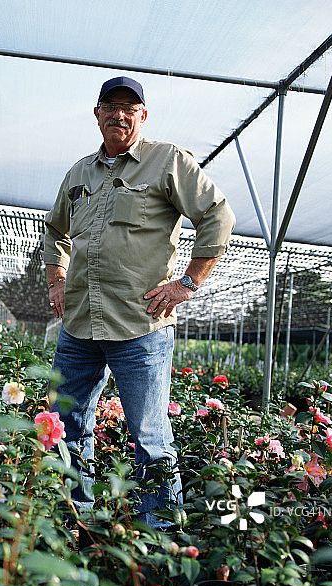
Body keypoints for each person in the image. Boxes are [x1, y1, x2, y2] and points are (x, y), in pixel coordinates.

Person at [41, 76, 235, 528]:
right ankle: (75, 518)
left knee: (149, 435)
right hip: (79, 325)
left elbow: (217, 216)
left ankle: (159, 537)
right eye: (111, 106)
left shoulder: (167, 161)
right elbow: (56, 230)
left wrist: (187, 283)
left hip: (140, 327)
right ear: (97, 113)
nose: (120, 115)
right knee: (66, 425)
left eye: (130, 108)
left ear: (142, 115)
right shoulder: (79, 173)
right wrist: (56, 280)